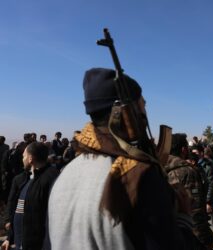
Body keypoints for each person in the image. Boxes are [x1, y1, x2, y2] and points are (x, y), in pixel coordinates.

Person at [47, 68, 197, 250]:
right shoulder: (138, 175)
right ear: (125, 113)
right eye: (142, 106)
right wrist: (183, 219)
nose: (145, 115)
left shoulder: (65, 174)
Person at [1, 142, 59, 250]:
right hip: (21, 241)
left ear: (30, 158)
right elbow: (20, 210)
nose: (22, 159)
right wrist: (10, 237)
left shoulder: (49, 179)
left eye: (24, 156)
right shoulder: (28, 179)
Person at [165, 133, 213, 249]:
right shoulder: (187, 171)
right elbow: (195, 209)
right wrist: (203, 237)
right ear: (183, 149)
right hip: (189, 234)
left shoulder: (158, 167)